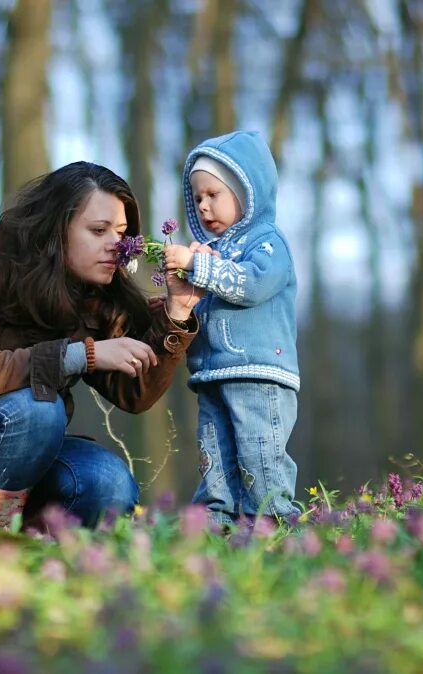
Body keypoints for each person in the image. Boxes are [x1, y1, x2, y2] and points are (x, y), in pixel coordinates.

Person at [0, 161, 201, 533]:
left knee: (109, 481)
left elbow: (135, 394)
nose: (115, 246)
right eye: (98, 230)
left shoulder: (95, 291)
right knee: (38, 407)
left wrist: (177, 313)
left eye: (121, 232)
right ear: (57, 228)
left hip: (24, 456)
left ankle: (16, 536)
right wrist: (82, 356)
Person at [163, 130, 301, 526]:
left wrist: (198, 267)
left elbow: (252, 284)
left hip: (258, 373)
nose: (204, 207)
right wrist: (187, 287)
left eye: (213, 194)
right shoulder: (214, 251)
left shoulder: (268, 244)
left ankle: (273, 524)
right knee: (215, 455)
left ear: (246, 190)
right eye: (197, 198)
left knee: (260, 453)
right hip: (212, 373)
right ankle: (215, 522)